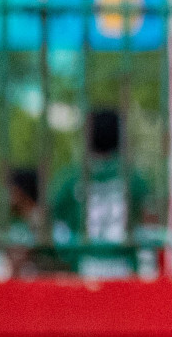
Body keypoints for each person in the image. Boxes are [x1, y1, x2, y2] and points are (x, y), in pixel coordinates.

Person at [50, 108, 152, 279]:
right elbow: (148, 225)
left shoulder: (72, 179)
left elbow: (53, 223)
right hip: (125, 267)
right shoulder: (133, 178)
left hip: (84, 266)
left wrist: (67, 254)